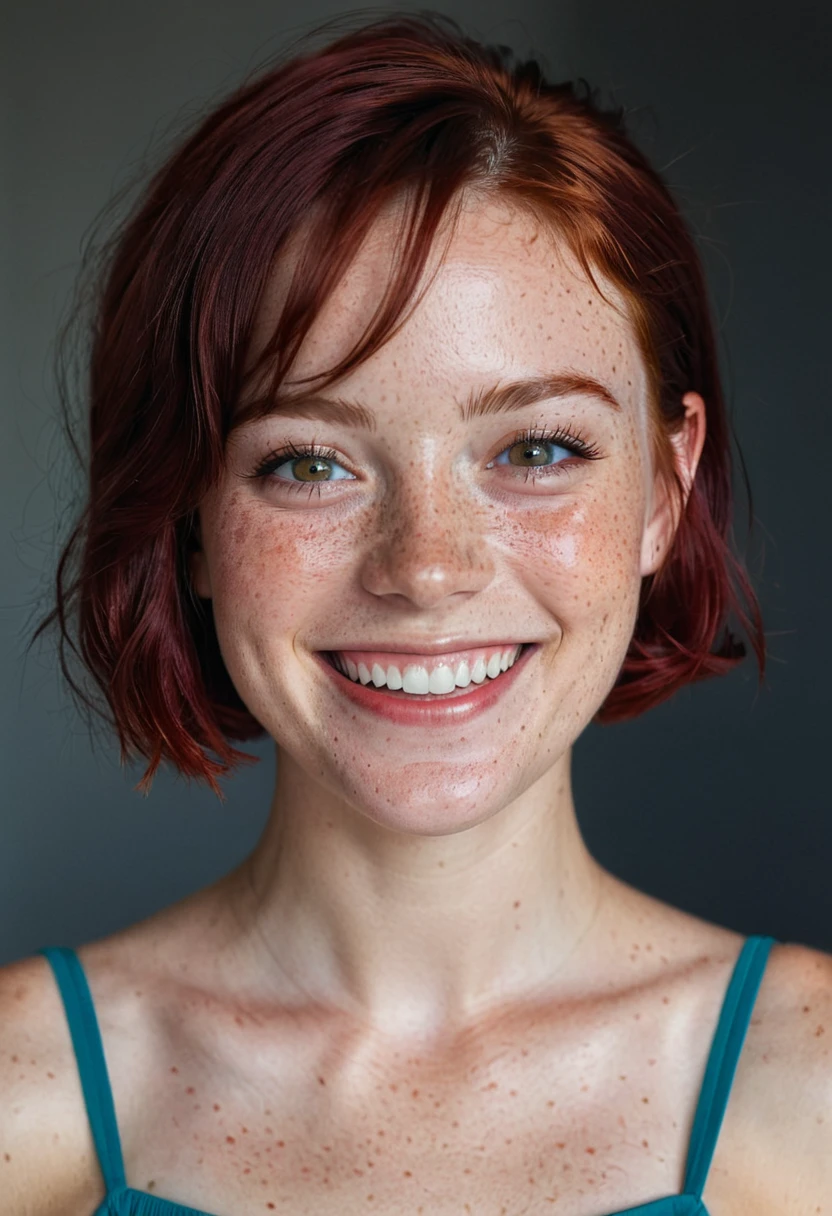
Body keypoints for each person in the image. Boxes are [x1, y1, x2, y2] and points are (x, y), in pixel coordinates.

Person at [3, 11, 830, 1216]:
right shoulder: (23, 1100)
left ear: (665, 485)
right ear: (185, 515)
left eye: (537, 447)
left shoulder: (813, 1087)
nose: (427, 570)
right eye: (309, 462)